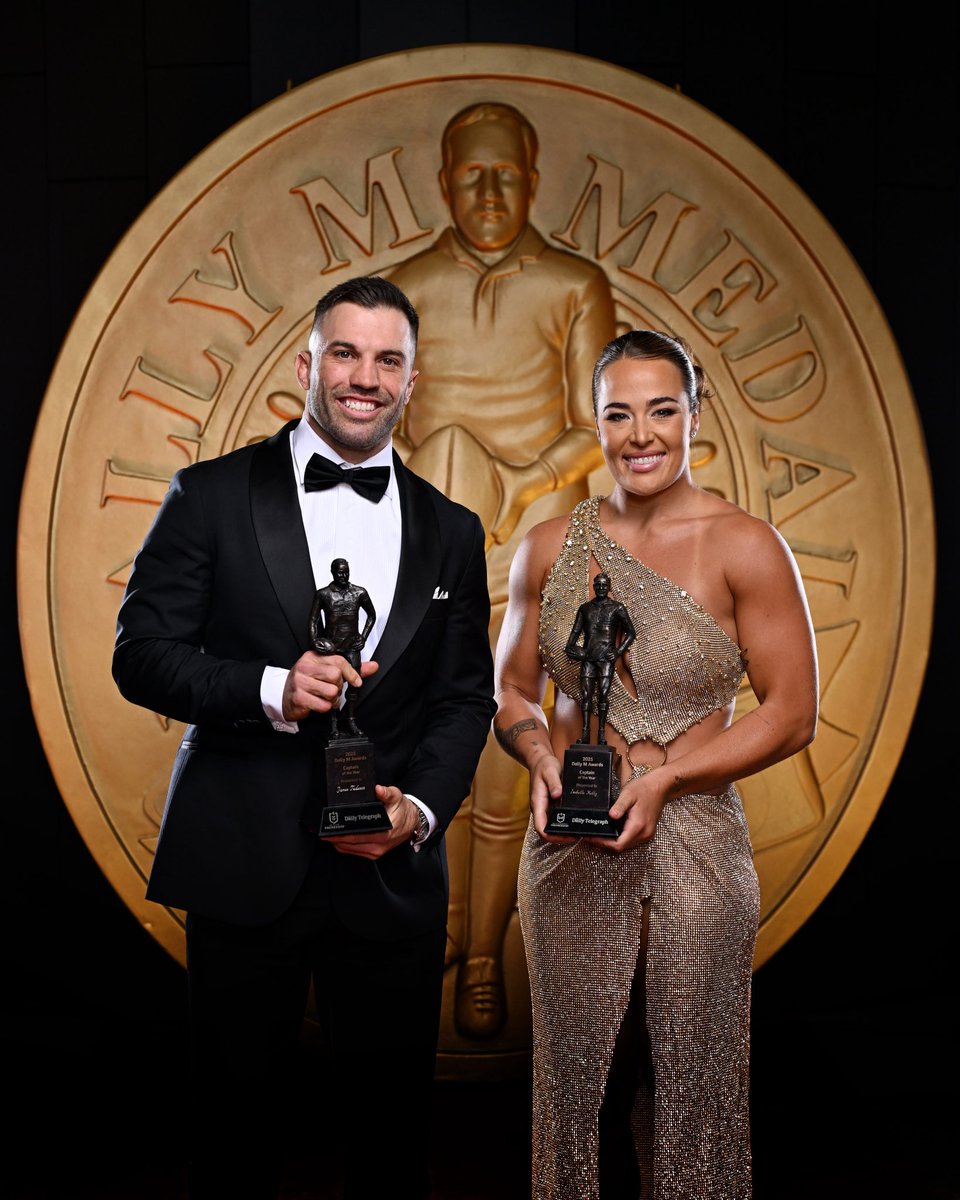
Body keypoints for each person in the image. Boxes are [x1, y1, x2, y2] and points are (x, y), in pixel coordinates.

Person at [112, 275, 496, 1200]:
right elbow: (141, 657)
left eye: (388, 359)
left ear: (413, 380)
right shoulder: (208, 494)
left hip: (389, 877)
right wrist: (271, 688)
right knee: (232, 1149)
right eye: (345, 353)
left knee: (391, 1153)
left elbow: (463, 699)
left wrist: (418, 810)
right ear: (306, 364)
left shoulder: (453, 530)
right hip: (242, 864)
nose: (365, 377)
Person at [493, 330, 819, 1198]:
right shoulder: (547, 544)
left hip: (697, 844)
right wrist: (537, 753)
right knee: (574, 1096)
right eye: (619, 414)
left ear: (693, 418)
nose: (640, 434)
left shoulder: (746, 544)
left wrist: (670, 780)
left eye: (662, 411)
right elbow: (513, 691)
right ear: (594, 423)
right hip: (567, 845)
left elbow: (792, 713)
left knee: (693, 1090)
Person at [387, 100, 617, 1038]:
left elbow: (596, 424)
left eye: (507, 175)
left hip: (536, 552)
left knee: (507, 766)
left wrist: (528, 480)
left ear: (533, 181)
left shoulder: (573, 284)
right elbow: (386, 426)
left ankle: (481, 956)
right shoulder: (405, 287)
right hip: (437, 549)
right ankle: (431, 934)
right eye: (472, 175)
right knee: (425, 749)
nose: (489, 192)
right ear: (445, 185)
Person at [565, 571, 636, 745]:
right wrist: (574, 650)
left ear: (609, 587)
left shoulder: (617, 608)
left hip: (606, 658)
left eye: (604, 585)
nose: (601, 588)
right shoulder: (585, 609)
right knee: (586, 695)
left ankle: (601, 736)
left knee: (603, 695)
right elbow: (574, 636)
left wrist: (618, 652)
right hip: (588, 658)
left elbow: (631, 633)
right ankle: (585, 734)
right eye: (598, 585)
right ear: (594, 587)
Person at [309, 558, 376, 738]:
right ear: (332, 573)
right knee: (333, 687)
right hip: (332, 649)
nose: (344, 576)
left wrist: (363, 637)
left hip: (352, 647)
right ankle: (333, 724)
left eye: (346, 572)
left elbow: (372, 615)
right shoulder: (323, 594)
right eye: (340, 572)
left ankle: (351, 720)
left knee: (354, 686)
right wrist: (315, 641)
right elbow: (313, 620)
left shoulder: (359, 592)